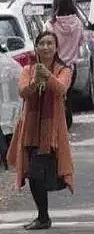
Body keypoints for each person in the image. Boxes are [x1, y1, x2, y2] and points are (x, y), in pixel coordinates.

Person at [7, 31, 74, 230]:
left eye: (50, 43)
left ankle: (43, 217)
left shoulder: (64, 70)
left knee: (40, 173)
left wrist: (49, 76)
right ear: (36, 47)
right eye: (42, 43)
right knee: (34, 174)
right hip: (30, 129)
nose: (46, 47)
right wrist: (37, 80)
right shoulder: (28, 69)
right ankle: (43, 217)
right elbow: (23, 92)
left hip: (52, 131)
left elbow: (61, 89)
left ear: (56, 48)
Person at [44, 0, 85, 130]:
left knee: (55, 100)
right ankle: (66, 127)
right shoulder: (78, 23)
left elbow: (46, 46)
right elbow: (81, 43)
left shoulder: (50, 25)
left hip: (54, 67)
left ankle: (58, 130)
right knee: (68, 99)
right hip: (71, 67)